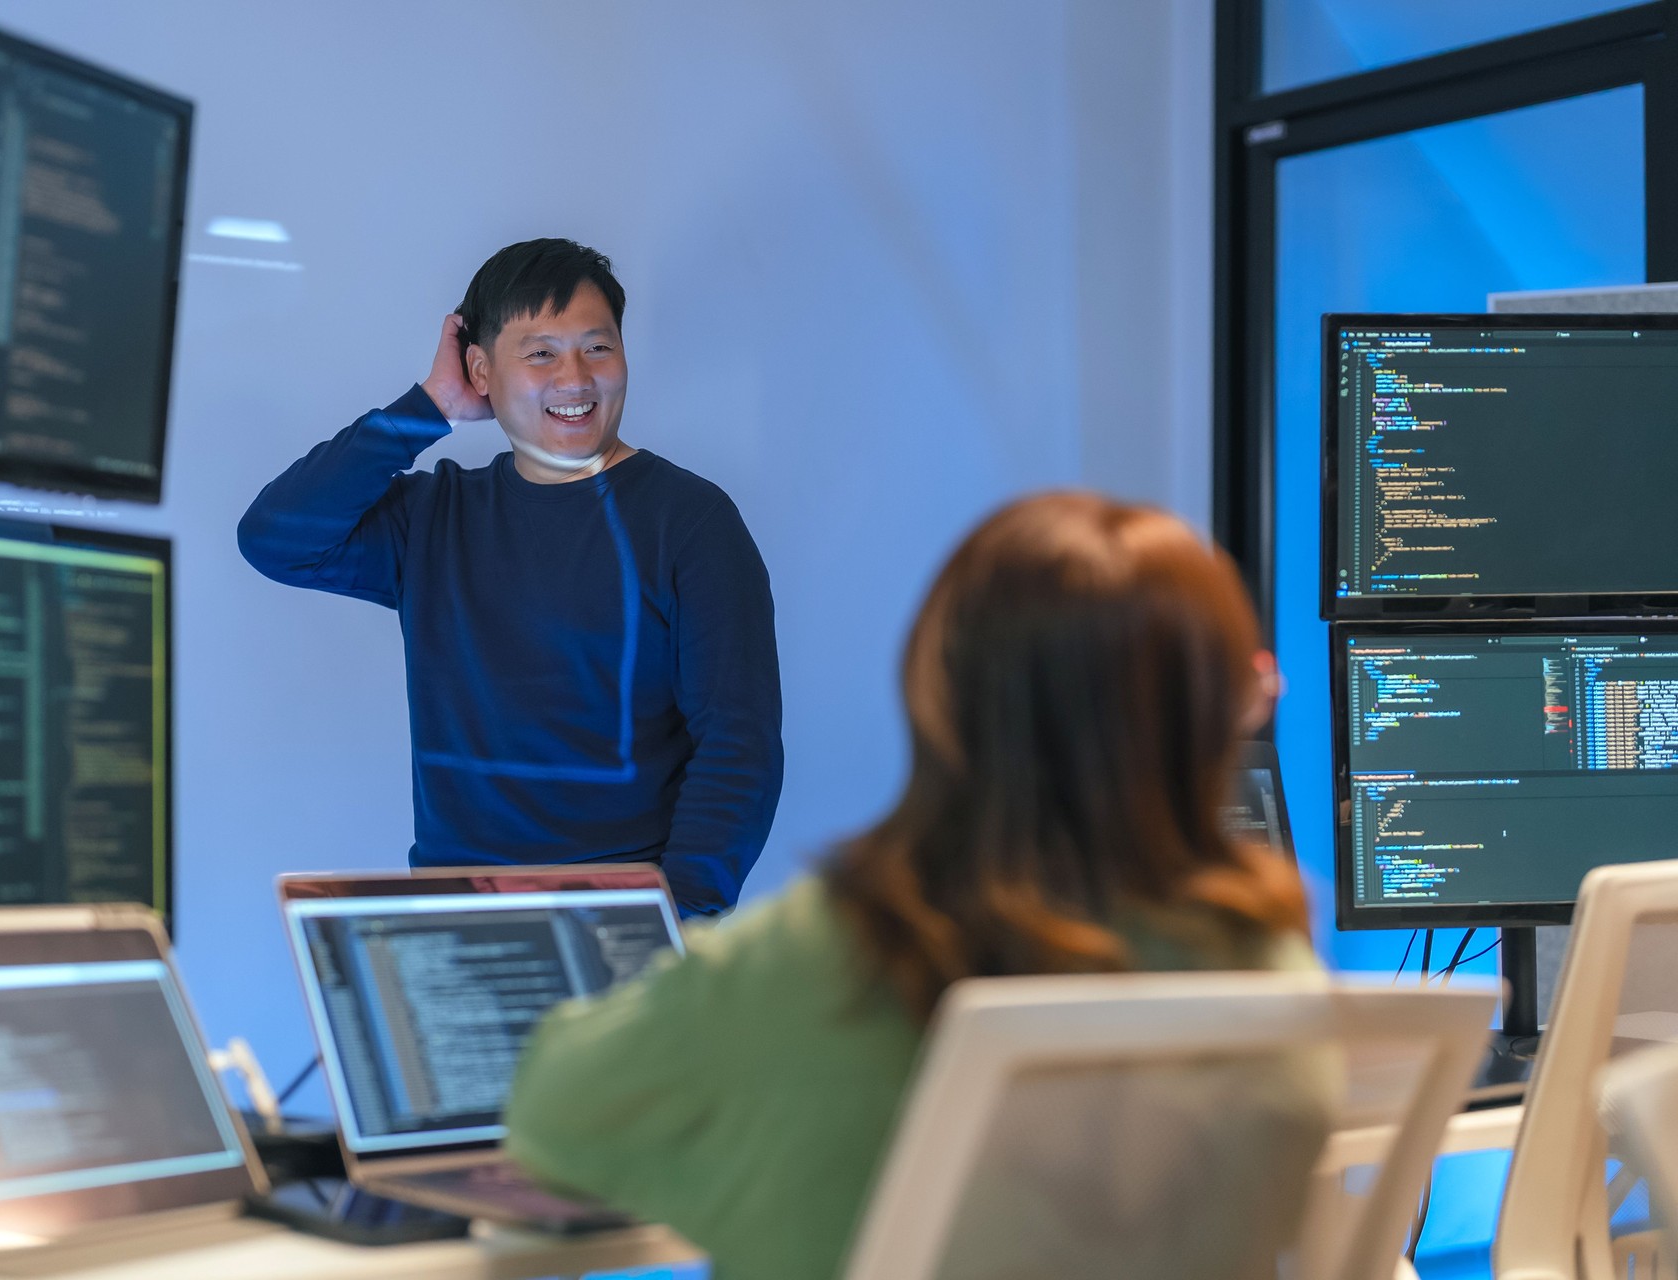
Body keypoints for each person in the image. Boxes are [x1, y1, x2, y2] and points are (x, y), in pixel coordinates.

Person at [504, 491, 1323, 1278]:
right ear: (1217, 718)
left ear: (939, 697)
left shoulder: (811, 962)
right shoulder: (1270, 976)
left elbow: (552, 1116)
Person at [237, 239, 782, 916]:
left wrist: (684, 917)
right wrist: (429, 406)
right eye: (541, 353)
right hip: (452, 921)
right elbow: (275, 538)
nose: (576, 379)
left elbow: (738, 742)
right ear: (481, 370)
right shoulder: (436, 517)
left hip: (627, 921)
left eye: (598, 347)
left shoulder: (691, 521)